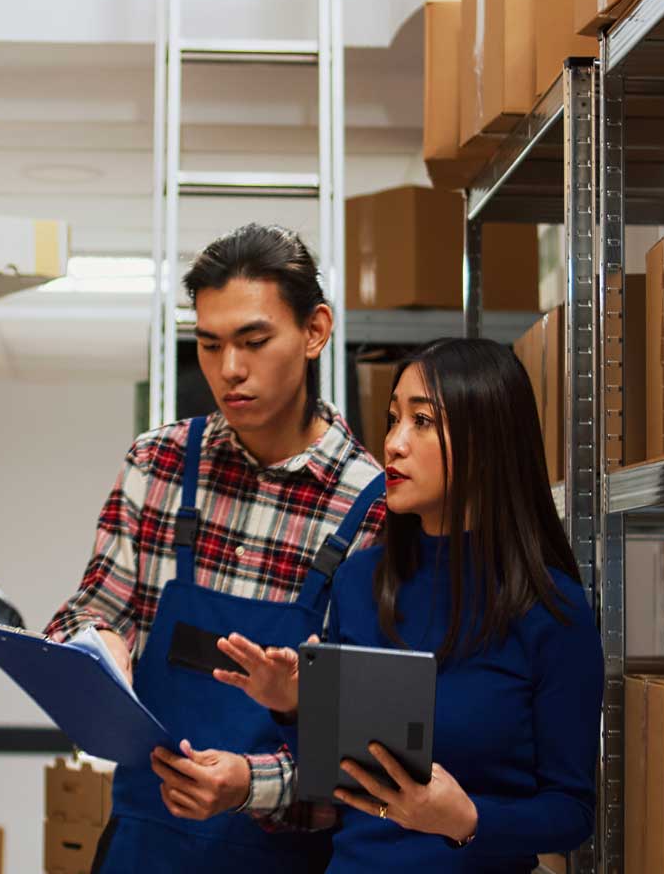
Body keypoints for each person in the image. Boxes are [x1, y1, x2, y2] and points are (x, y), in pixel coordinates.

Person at [44, 224, 387, 873]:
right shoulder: (159, 463)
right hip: (143, 845)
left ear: (315, 331)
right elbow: (89, 611)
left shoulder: (375, 509)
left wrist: (250, 785)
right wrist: (96, 644)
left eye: (254, 342)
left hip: (282, 859)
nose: (229, 369)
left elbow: (369, 750)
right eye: (209, 344)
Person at [214, 338, 604, 873]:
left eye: (422, 422)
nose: (393, 444)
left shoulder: (551, 610)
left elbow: (571, 812)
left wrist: (467, 820)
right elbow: (336, 784)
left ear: (487, 440)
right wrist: (292, 706)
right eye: (393, 418)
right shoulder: (358, 583)